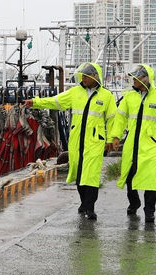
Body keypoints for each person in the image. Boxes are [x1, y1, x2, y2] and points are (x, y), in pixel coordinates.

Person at [24, 62, 116, 219]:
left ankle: (90, 207)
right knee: (80, 174)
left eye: (86, 76)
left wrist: (112, 138)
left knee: (91, 175)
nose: (83, 79)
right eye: (82, 76)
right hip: (76, 140)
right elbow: (55, 101)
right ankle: (83, 202)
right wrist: (36, 102)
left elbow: (113, 119)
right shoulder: (75, 92)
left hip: (95, 141)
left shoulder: (106, 96)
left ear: (95, 77)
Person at [110, 64, 156, 224]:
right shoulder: (129, 97)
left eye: (137, 78)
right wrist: (115, 137)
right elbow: (120, 119)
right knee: (129, 175)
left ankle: (149, 211)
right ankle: (134, 203)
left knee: (150, 179)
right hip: (131, 145)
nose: (133, 80)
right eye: (133, 78)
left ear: (146, 79)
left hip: (150, 146)